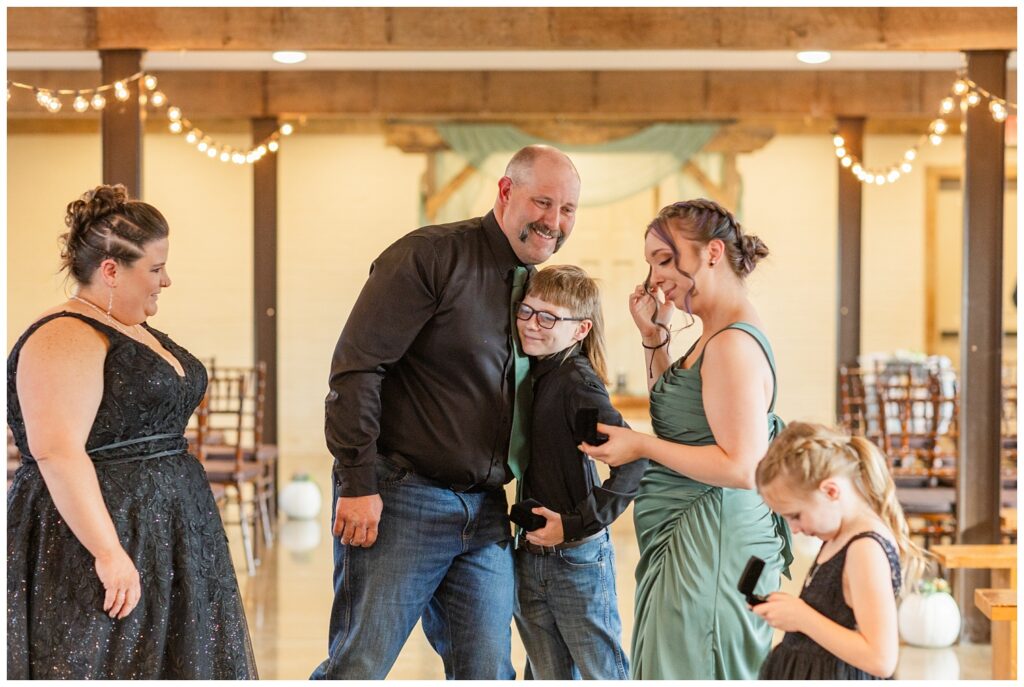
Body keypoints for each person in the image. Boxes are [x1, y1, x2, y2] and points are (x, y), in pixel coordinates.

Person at [314, 145, 581, 680]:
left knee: (487, 670)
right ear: (506, 193)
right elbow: (357, 369)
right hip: (400, 501)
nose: (554, 222)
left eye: (568, 209)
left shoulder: (538, 287)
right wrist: (358, 481)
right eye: (543, 202)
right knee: (359, 666)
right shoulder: (430, 256)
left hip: (485, 514)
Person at [6, 184, 257, 679]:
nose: (166, 281)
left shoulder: (129, 323)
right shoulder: (64, 334)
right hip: (101, 535)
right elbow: (57, 452)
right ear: (111, 270)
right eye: (156, 269)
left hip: (166, 530)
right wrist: (109, 553)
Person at [582, 198, 792, 679]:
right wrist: (654, 338)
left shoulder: (731, 344)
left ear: (712, 253)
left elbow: (742, 468)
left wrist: (639, 446)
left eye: (663, 259)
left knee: (693, 663)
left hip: (712, 539)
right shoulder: (711, 335)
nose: (655, 277)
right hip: (700, 533)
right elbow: (680, 418)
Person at [511, 265, 645, 680]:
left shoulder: (578, 386)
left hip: (575, 560)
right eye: (526, 311)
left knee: (601, 675)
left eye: (548, 317)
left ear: (580, 329)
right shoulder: (532, 374)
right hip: (530, 555)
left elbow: (634, 463)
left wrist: (573, 525)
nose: (532, 325)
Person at [753, 421, 928, 679]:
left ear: (831, 491)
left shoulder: (865, 549)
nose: (794, 529)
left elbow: (881, 658)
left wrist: (802, 617)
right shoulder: (838, 536)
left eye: (796, 516)